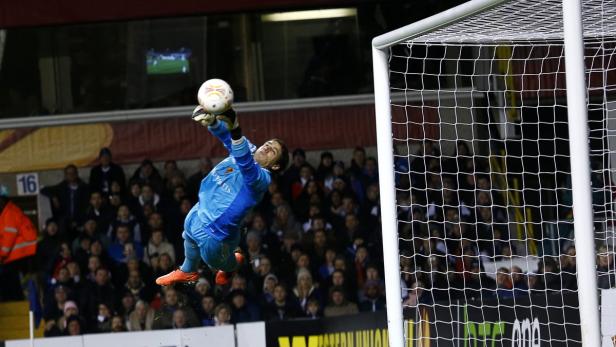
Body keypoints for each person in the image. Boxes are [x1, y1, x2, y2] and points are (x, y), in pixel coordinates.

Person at [156, 104, 289, 286]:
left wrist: (235, 128)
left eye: (272, 151)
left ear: (274, 166)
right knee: (188, 234)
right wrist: (212, 122)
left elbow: (245, 163)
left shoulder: (262, 179)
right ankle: (188, 271)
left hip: (216, 232)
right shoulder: (248, 148)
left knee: (214, 261)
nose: (266, 147)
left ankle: (232, 264)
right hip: (202, 208)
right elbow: (228, 137)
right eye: (268, 143)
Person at [0, 196, 38, 300]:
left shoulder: (10, 213)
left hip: (22, 252)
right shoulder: (7, 212)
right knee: (11, 276)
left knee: (9, 274)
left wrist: (2, 255)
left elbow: (9, 236)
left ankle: (13, 298)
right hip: (19, 252)